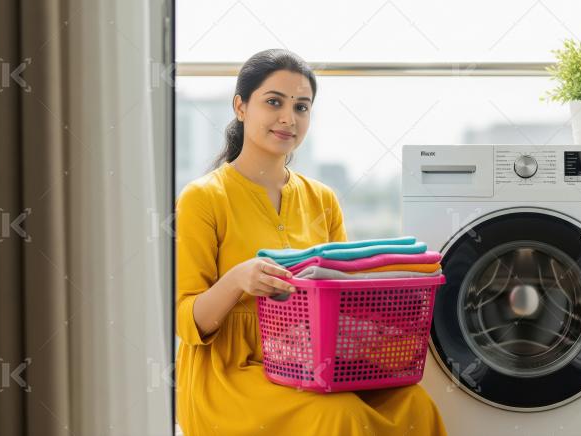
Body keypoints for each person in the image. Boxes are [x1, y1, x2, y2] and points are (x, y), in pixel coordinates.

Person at [175, 48, 447, 436]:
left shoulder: (322, 198)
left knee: (414, 403)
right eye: (274, 102)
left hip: (311, 365)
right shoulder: (203, 198)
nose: (289, 118)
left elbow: (344, 296)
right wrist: (237, 280)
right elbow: (187, 322)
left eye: (302, 107)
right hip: (229, 376)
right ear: (240, 107)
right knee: (338, 416)